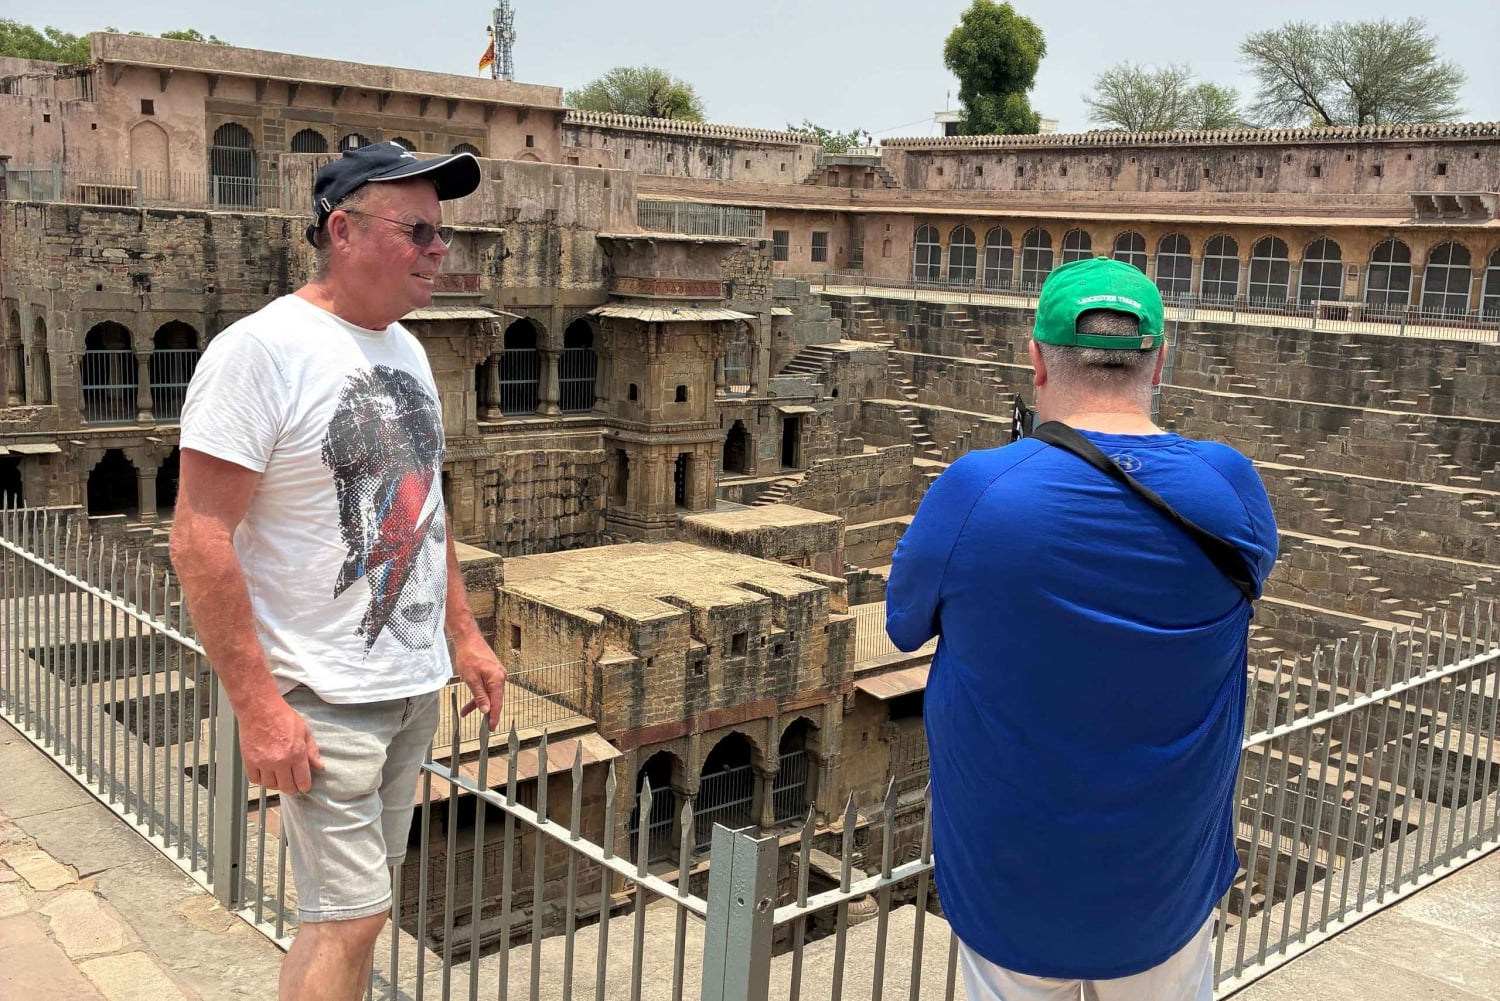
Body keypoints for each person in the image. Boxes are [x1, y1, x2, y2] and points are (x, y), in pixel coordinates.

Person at [886, 257, 1278, 1001]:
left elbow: (904, 624)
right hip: (1168, 876)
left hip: (1011, 879)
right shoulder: (1231, 485)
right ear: (1160, 359)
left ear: (1035, 357)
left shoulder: (977, 489)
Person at [169, 142, 507, 1001]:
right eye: (419, 230)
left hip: (405, 687)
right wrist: (259, 708)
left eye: (443, 232)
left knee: (355, 911)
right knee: (347, 917)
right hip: (322, 697)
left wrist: (463, 635)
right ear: (343, 229)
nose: (440, 248)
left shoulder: (406, 351)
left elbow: (425, 509)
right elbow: (200, 535)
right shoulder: (263, 351)